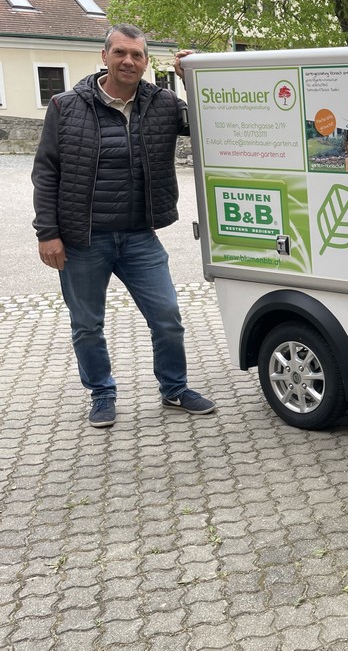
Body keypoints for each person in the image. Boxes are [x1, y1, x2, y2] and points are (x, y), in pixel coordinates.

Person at [32, 23, 216, 429]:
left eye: (136, 55)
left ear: (147, 62)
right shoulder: (66, 106)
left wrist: (193, 78)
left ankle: (174, 388)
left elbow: (207, 125)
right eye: (120, 53)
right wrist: (48, 232)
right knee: (87, 325)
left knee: (167, 315)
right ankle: (101, 393)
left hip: (138, 236)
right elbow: (46, 172)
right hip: (82, 239)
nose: (128, 61)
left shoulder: (163, 104)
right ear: (105, 56)